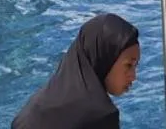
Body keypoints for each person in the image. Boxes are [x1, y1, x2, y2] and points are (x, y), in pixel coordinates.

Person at [12, 13, 140, 129]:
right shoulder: (101, 116)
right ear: (104, 57)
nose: (133, 76)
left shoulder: (35, 105)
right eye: (129, 65)